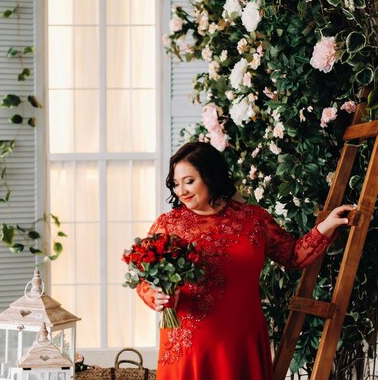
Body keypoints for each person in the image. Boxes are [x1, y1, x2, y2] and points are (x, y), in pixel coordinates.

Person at [136, 141, 354, 380]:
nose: (181, 191)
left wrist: (327, 225)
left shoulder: (253, 218)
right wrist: (155, 296)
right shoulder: (168, 225)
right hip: (191, 344)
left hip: (243, 339)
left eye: (189, 181)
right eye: (176, 184)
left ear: (211, 176)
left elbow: (292, 255)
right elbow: (144, 279)